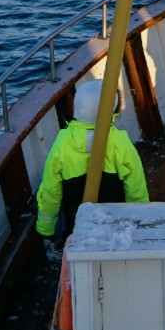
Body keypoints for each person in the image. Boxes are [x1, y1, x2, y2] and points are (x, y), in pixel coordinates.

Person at [35, 78, 148, 255]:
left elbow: (51, 191)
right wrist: (140, 226)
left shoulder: (62, 144)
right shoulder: (121, 143)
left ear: (78, 107)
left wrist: (45, 231)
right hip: (114, 223)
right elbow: (136, 189)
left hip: (77, 224)